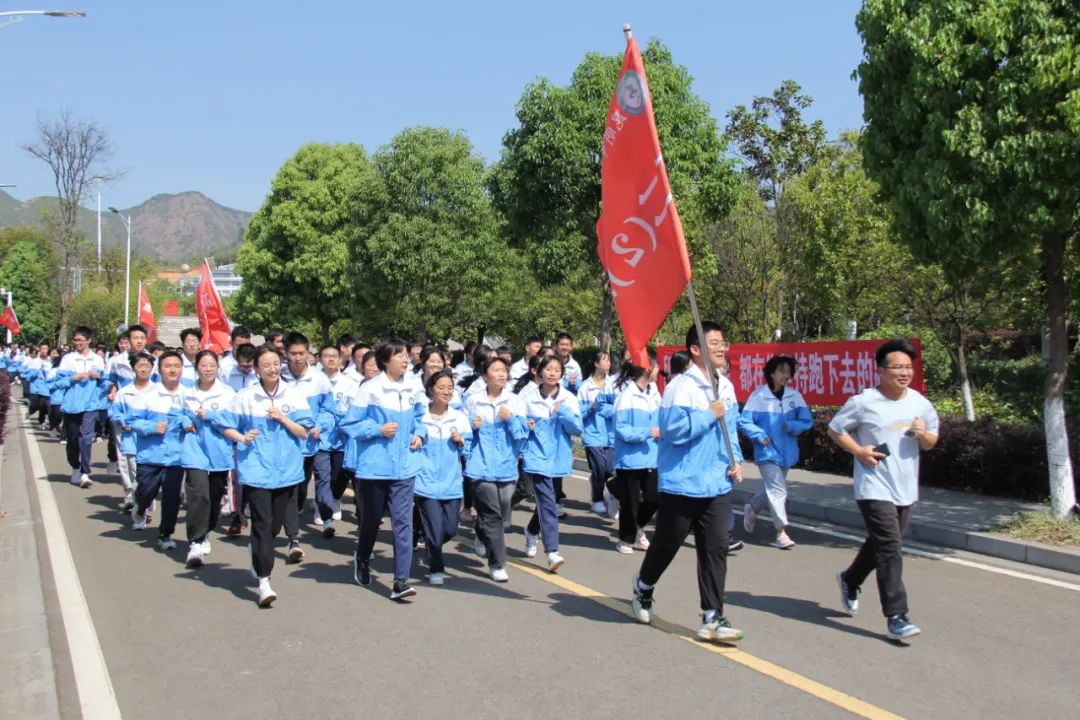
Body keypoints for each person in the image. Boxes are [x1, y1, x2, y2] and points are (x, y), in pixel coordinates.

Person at [630, 321, 746, 644]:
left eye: (723, 342)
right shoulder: (681, 387)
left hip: (717, 481)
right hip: (683, 481)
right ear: (696, 349)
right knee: (668, 544)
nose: (722, 348)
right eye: (714, 343)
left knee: (715, 549)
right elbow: (672, 432)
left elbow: (731, 429)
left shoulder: (726, 386)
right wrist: (709, 414)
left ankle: (712, 616)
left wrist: (736, 460)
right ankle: (643, 585)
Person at [829, 337, 939, 641]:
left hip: (905, 487)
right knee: (890, 548)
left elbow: (931, 442)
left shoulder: (920, 403)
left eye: (908, 367)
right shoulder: (864, 401)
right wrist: (859, 451)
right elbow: (836, 429)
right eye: (897, 367)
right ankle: (897, 616)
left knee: (882, 544)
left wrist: (922, 434)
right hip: (873, 485)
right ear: (880, 371)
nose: (904, 373)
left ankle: (850, 579)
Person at [220, 345, 314, 607]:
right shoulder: (246, 397)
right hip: (256, 469)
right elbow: (226, 426)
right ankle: (264, 581)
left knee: (273, 526)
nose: (272, 369)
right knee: (262, 523)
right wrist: (242, 437)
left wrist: (283, 419)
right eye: (266, 365)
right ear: (257, 370)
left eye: (275, 364)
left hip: (287, 471)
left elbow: (303, 432)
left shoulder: (294, 395)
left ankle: (258, 551)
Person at [340, 339, 427, 601]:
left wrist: (420, 434)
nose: (405, 359)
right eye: (398, 355)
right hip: (376, 467)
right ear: (385, 360)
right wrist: (377, 429)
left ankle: (400, 581)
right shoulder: (371, 389)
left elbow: (422, 417)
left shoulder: (414, 386)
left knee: (403, 523)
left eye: (406, 355)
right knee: (372, 519)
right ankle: (362, 558)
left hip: (405, 466)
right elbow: (350, 424)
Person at [462, 356, 528, 582]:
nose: (501, 374)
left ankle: (481, 532)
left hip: (506, 467)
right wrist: (471, 426)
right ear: (484, 375)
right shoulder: (473, 401)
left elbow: (522, 435)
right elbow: (462, 433)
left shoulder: (514, 401)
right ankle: (497, 564)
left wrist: (511, 420)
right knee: (493, 516)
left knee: (502, 519)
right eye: (496, 370)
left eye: (504, 370)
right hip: (479, 467)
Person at [740, 355, 813, 549]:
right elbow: (744, 421)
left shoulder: (795, 397)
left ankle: (752, 506)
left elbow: (807, 421)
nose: (786, 375)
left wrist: (793, 425)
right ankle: (781, 532)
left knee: (772, 486)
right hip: (766, 451)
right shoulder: (758, 397)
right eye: (782, 371)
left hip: (787, 452)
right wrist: (759, 434)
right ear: (771, 373)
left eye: (789, 372)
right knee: (778, 490)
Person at [520, 355, 582, 573]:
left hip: (558, 457)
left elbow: (577, 428)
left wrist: (562, 412)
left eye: (557, 369)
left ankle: (531, 530)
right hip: (536, 456)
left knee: (547, 500)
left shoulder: (568, 398)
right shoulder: (527, 397)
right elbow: (517, 425)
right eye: (548, 369)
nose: (552, 373)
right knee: (548, 502)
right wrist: (525, 425)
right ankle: (552, 551)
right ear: (539, 372)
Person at [126, 351, 188, 551]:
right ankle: (140, 506)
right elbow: (132, 420)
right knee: (146, 492)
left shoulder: (188, 395)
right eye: (168, 366)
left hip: (176, 457)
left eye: (177, 366)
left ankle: (165, 534)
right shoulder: (147, 395)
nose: (172, 370)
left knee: (172, 497)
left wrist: (187, 423)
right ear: (159, 369)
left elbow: (193, 419)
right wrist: (152, 427)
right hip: (150, 455)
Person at [180, 350, 236, 568]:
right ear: (197, 368)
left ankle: (206, 531)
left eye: (212, 365)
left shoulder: (227, 394)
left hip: (219, 451)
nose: (208, 369)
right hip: (194, 449)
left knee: (213, 498)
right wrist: (184, 421)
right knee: (198, 494)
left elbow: (233, 421)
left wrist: (211, 416)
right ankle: (195, 542)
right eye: (204, 365)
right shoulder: (187, 393)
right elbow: (176, 414)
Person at [415, 370, 471, 585]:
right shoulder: (420, 418)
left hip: (451, 483)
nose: (447, 392)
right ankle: (436, 568)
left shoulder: (459, 418)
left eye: (450, 388)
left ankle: (428, 537)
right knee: (435, 529)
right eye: (441, 387)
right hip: (425, 482)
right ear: (431, 390)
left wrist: (461, 442)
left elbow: (469, 450)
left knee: (449, 529)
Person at [281, 332, 335, 531]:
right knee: (298, 482)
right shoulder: (280, 377)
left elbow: (328, 408)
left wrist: (319, 425)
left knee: (321, 477)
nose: (298, 357)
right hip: (289, 442)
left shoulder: (319, 379)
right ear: (286, 353)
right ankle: (294, 512)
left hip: (315, 440)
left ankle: (327, 517)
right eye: (293, 353)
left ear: (308, 352)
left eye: (301, 353)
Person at [612, 357, 661, 554]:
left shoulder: (654, 393)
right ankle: (625, 539)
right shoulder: (626, 396)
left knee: (654, 498)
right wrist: (647, 432)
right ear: (647, 369)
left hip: (652, 456)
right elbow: (621, 429)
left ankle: (638, 527)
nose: (658, 371)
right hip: (630, 459)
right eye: (656, 367)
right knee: (630, 503)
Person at [56, 326, 110, 488]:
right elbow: (58, 382)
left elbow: (105, 383)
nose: (77, 342)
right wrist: (74, 378)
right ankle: (75, 467)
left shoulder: (97, 360)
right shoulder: (68, 359)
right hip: (72, 405)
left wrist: (99, 377)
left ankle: (85, 473)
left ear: (89, 340)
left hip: (91, 405)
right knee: (72, 440)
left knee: (86, 439)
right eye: (75, 340)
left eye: (80, 340)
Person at [109, 352, 155, 510]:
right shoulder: (124, 392)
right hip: (130, 438)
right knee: (134, 471)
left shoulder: (157, 392)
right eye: (140, 365)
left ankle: (145, 500)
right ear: (133, 368)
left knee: (148, 472)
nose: (144, 369)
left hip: (151, 439)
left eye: (147, 366)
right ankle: (138, 504)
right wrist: (124, 422)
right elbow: (114, 412)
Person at [578, 350, 617, 516]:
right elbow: (578, 412)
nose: (609, 363)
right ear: (596, 364)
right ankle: (597, 500)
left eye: (610, 360)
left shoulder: (614, 384)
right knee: (600, 469)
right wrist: (590, 407)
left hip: (611, 435)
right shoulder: (585, 387)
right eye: (605, 360)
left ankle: (597, 481)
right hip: (592, 434)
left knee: (609, 469)